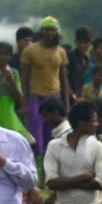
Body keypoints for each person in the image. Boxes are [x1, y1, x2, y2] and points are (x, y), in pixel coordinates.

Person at [21, 16, 70, 154]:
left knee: (53, 133)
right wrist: (24, 103)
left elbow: (63, 78)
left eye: (52, 30)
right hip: (36, 97)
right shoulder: (30, 51)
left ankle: (49, 165)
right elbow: (24, 78)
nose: (49, 33)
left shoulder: (61, 51)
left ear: (57, 33)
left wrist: (66, 104)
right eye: (46, 30)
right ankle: (35, 164)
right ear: (41, 31)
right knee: (36, 133)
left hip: (54, 96)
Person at [66, 26, 92, 99]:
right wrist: (71, 95)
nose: (82, 45)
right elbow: (64, 78)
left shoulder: (86, 59)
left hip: (80, 96)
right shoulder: (70, 56)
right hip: (69, 96)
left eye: (85, 43)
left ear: (90, 43)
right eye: (80, 42)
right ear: (75, 42)